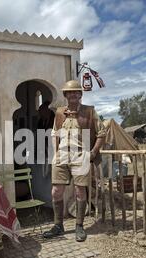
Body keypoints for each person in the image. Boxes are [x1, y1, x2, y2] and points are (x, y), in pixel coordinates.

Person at [43, 80, 105, 242]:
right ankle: (58, 225)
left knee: (79, 191)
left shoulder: (90, 112)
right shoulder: (59, 113)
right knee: (56, 191)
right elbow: (54, 134)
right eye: (70, 93)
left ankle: (79, 226)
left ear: (80, 95)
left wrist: (92, 153)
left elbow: (101, 134)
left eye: (76, 92)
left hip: (80, 156)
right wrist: (56, 153)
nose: (73, 95)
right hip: (61, 156)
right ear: (65, 95)